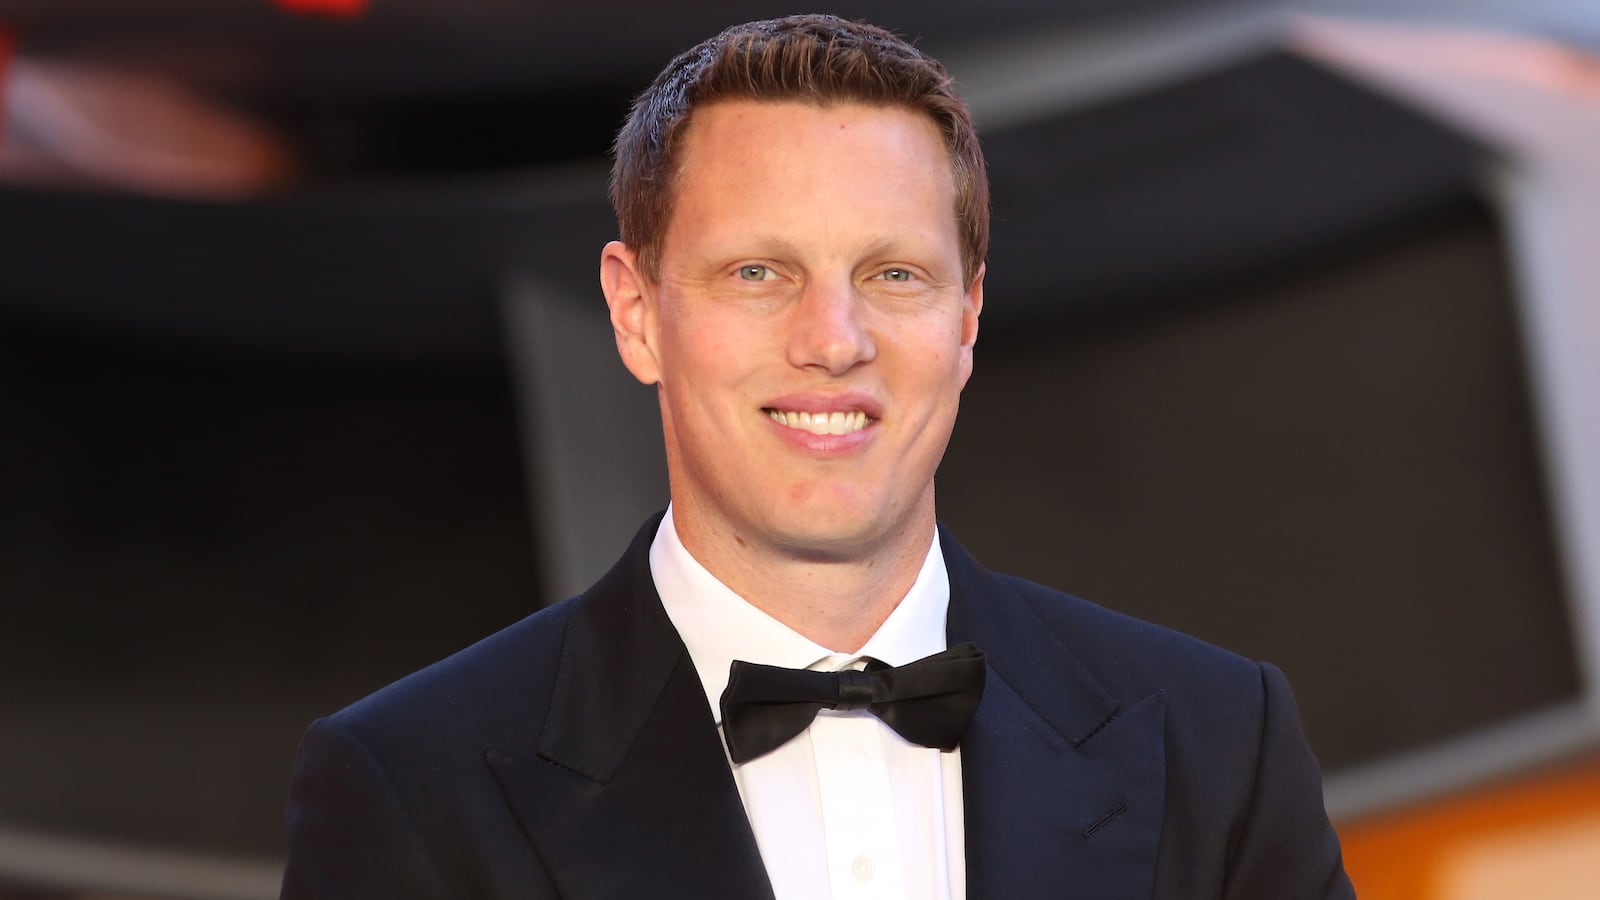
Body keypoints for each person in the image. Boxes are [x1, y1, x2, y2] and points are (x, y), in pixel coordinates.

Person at [280, 14, 1355, 900]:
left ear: (968, 314)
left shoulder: (1219, 745)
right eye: (758, 273)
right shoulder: (409, 785)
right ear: (636, 312)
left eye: (893, 274)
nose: (832, 339)